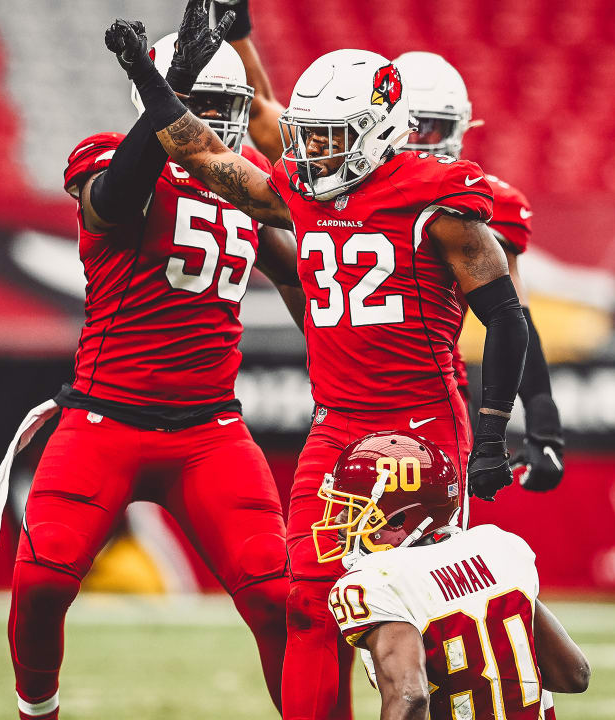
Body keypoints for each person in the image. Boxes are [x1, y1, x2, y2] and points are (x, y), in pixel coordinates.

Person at [106, 7, 531, 718]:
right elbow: (207, 157)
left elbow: (509, 323)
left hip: (422, 429)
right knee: (309, 604)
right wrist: (149, 75)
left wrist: (492, 438)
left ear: (382, 131)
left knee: (414, 610)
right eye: (308, 139)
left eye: (331, 139)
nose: (313, 155)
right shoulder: (302, 188)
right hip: (334, 426)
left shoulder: (437, 200)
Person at [0, 10, 302, 719]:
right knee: (43, 578)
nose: (212, 125)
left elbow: (299, 275)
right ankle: (36, 710)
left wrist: (340, 358)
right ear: (159, 99)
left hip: (210, 431)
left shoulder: (244, 181)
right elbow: (115, 199)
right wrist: (166, 78)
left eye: (223, 111)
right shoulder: (109, 155)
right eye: (198, 107)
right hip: (103, 419)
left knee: (276, 596)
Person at [316, 430, 589, 720]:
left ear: (398, 520)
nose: (339, 521)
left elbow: (410, 697)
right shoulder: (499, 547)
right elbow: (574, 674)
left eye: (354, 509)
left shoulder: (377, 579)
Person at [392, 50, 565, 493]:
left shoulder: (479, 204)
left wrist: (542, 418)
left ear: (459, 129)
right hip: (343, 393)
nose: (420, 143)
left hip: (434, 390)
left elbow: (514, 316)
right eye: (411, 126)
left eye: (432, 128)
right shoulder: (334, 190)